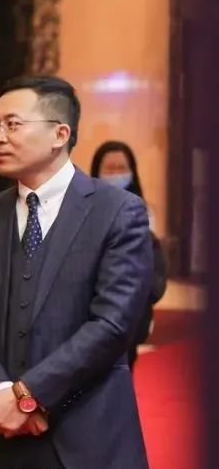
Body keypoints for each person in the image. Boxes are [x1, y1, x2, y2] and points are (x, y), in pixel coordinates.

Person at [0, 76, 152, 469]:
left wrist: (29, 395)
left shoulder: (117, 212)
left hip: (84, 436)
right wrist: (0, 390)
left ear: (60, 134)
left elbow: (112, 324)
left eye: (13, 124)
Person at [90, 140, 168, 369]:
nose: (116, 174)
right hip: (91, 316)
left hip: (131, 317)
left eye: (121, 168)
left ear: (132, 172)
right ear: (96, 172)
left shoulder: (144, 214)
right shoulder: (84, 212)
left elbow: (153, 273)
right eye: (110, 169)